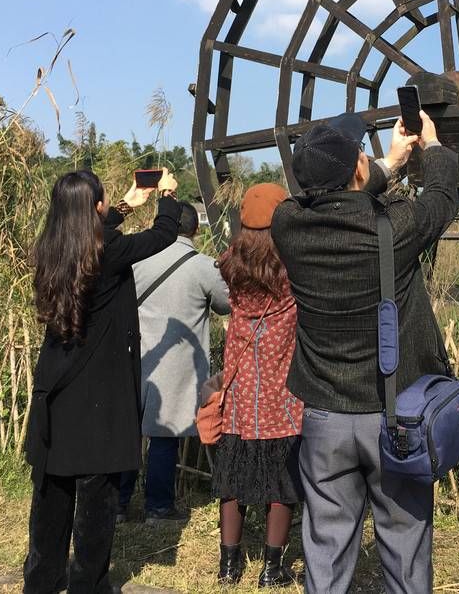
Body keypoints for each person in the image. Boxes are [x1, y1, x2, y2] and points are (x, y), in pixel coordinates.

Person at [271, 111, 458, 594]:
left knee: (326, 547)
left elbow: (333, 196)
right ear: (357, 169)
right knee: (404, 544)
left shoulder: (287, 224)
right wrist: (430, 147)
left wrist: (385, 164)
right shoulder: (396, 228)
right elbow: (439, 199)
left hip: (324, 417)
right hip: (393, 415)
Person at [23, 168, 179, 594]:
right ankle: (88, 585)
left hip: (57, 389)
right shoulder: (106, 250)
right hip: (100, 394)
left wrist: (127, 203)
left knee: (51, 497)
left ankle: (40, 581)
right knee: (95, 501)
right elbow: (164, 235)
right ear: (95, 207)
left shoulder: (51, 248)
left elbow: (95, 233)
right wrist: (166, 195)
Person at [118, 201, 231, 523]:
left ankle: (118, 505)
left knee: (128, 434)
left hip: (136, 357)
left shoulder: (137, 258)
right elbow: (225, 305)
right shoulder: (203, 266)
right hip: (177, 365)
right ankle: (158, 507)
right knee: (164, 439)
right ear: (195, 229)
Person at [212, 182, 301, 587]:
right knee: (281, 484)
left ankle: (228, 568)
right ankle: (271, 569)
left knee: (231, 480)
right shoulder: (291, 269)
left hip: (240, 393)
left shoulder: (232, 265)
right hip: (281, 396)